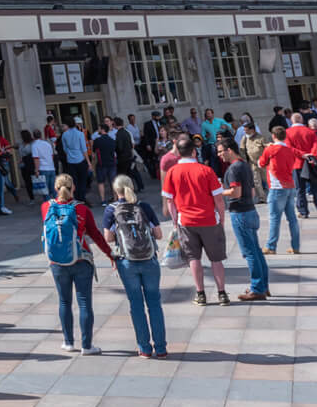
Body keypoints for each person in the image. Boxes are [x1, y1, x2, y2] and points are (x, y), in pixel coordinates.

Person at [41, 174, 114, 353]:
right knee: (84, 303)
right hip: (81, 260)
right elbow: (95, 235)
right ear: (73, 187)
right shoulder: (81, 209)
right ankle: (87, 346)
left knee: (64, 302)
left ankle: (68, 342)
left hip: (57, 262)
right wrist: (110, 254)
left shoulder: (45, 207)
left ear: (56, 188)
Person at [102, 176, 167, 357]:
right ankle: (161, 347)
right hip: (149, 260)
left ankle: (144, 348)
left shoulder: (111, 210)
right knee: (154, 304)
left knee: (136, 304)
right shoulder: (143, 207)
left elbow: (108, 237)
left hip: (127, 262)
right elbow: (158, 234)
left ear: (116, 191)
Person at [162, 137, 231, 306]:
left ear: (178, 152)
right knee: (216, 259)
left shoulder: (172, 172)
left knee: (194, 259)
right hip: (209, 220)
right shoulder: (206, 170)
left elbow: (170, 201)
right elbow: (219, 199)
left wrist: (175, 221)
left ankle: (200, 294)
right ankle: (222, 293)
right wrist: (221, 219)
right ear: (194, 151)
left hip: (186, 221)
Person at [218, 142, 269, 301]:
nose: (219, 155)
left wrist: (219, 191)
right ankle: (263, 286)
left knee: (250, 253)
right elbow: (252, 191)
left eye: (221, 151)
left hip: (240, 213)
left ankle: (257, 288)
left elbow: (235, 192)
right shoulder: (245, 165)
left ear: (229, 150)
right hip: (250, 211)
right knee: (256, 251)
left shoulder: (233, 169)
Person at [258, 132, 305, 254]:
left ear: (273, 135)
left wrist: (269, 148)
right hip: (289, 185)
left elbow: (261, 163)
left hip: (277, 187)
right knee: (292, 219)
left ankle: (271, 246)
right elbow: (297, 154)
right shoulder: (289, 149)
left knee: (274, 218)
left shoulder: (271, 149)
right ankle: (295, 246)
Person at [58, 119, 91, 190]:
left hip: (70, 160)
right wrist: (88, 162)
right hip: (80, 159)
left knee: (74, 181)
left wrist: (70, 154)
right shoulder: (80, 134)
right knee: (82, 180)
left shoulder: (64, 134)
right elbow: (84, 149)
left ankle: (76, 197)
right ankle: (81, 198)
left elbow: (65, 149)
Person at [29, 129, 56, 199]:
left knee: (45, 191)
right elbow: (52, 156)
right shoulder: (47, 144)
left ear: (33, 136)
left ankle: (48, 206)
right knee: (53, 189)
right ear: (41, 135)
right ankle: (58, 204)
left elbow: (36, 159)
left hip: (43, 168)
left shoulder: (34, 145)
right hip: (51, 168)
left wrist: (36, 170)